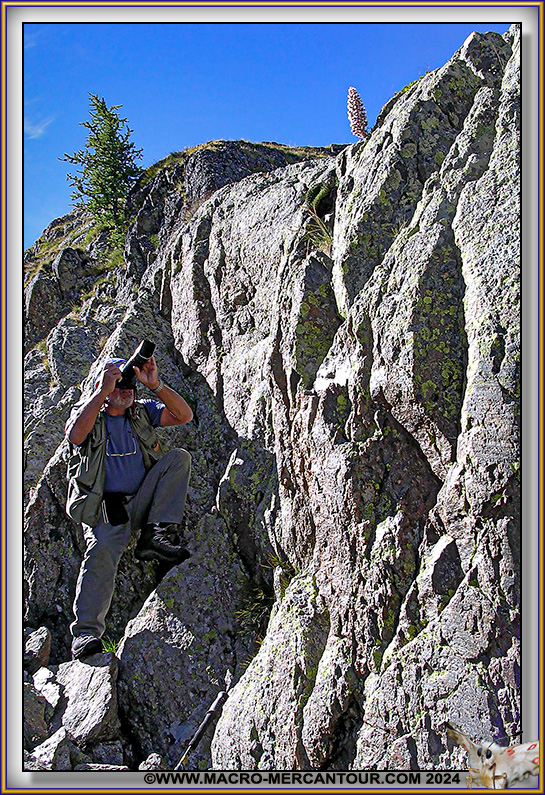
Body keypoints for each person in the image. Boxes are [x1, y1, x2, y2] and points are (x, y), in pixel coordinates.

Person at [64, 354, 193, 660]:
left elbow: (183, 415)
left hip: (143, 500)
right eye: (119, 383)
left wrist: (155, 384)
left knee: (179, 459)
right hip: (106, 511)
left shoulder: (141, 412)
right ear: (102, 385)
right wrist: (102, 392)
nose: (126, 389)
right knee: (101, 555)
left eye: (129, 383)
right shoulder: (89, 415)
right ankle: (85, 634)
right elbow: (75, 435)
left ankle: (154, 537)